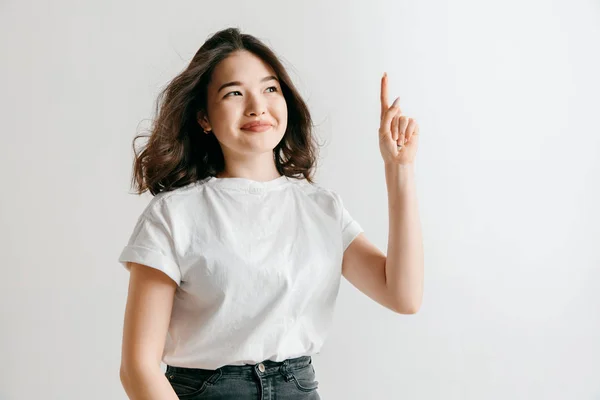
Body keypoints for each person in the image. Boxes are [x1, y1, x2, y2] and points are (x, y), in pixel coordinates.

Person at [118, 27, 423, 400]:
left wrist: (399, 168)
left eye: (270, 89)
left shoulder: (321, 208)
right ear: (204, 117)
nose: (256, 106)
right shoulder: (172, 215)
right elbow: (138, 368)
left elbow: (403, 295)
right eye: (234, 93)